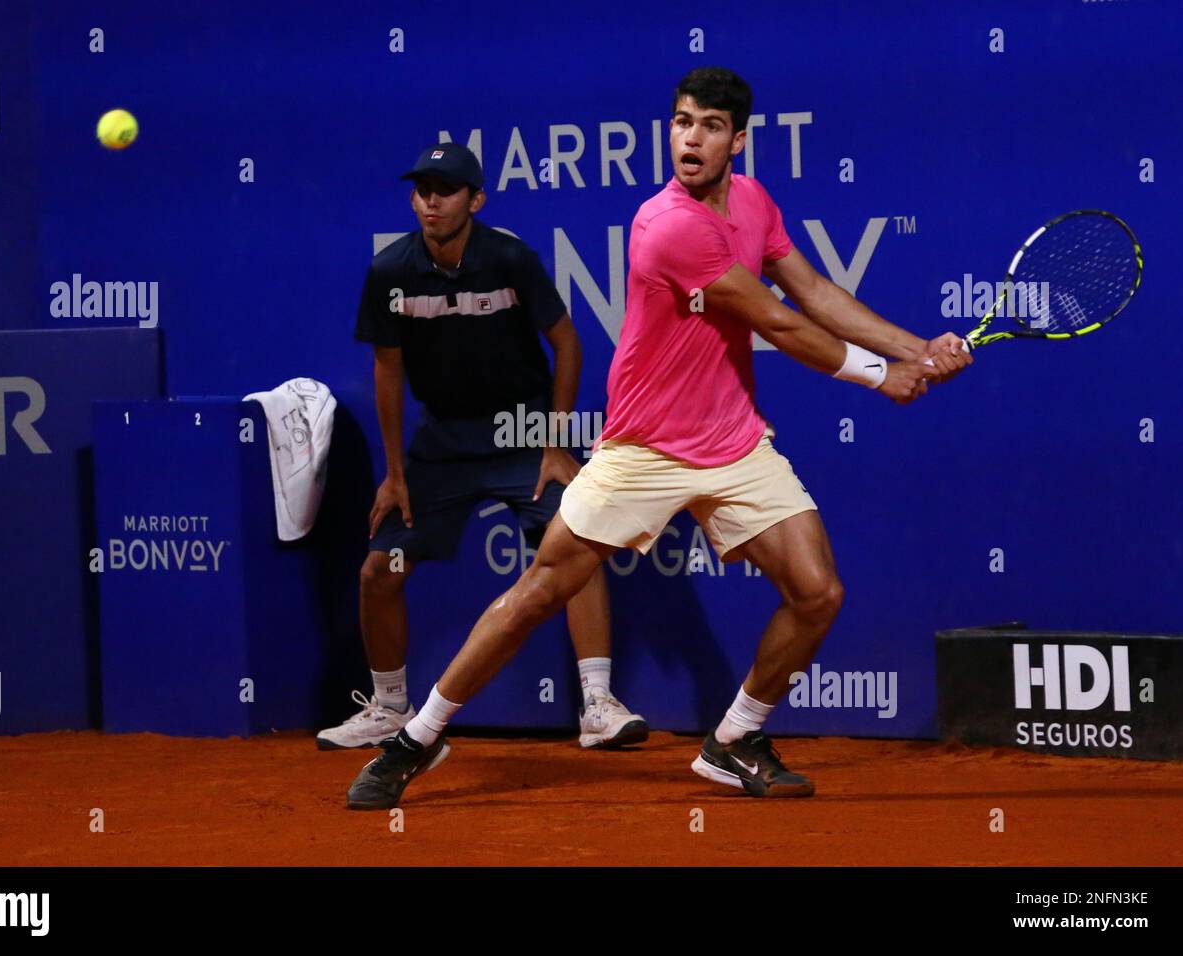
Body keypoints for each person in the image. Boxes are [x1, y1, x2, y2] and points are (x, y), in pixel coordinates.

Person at [346, 69, 970, 811]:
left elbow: (814, 291)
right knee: (539, 591)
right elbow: (775, 322)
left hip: (733, 439)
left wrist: (919, 349)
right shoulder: (667, 223)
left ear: (739, 139)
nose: (690, 139)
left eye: (708, 125)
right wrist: (881, 374)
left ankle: (734, 739)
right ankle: (416, 738)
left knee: (817, 592)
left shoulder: (754, 201)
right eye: (680, 122)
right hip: (644, 447)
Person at [319, 142, 647, 754]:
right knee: (378, 570)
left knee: (574, 545)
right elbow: (387, 371)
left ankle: (598, 704)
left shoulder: (509, 259)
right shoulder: (390, 271)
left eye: (446, 189)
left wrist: (553, 444)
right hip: (443, 443)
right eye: (422, 189)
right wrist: (395, 473)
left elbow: (567, 344)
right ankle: (390, 707)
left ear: (476, 200)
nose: (431, 200)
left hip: (521, 434)